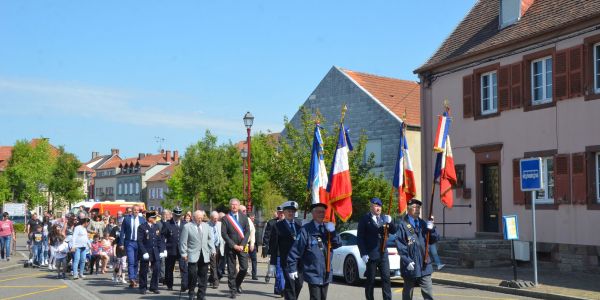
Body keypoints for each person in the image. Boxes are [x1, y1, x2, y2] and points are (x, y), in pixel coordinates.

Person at [287, 202, 341, 300]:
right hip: (313, 271)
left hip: (326, 271)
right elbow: (296, 250)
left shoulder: (328, 229)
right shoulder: (306, 230)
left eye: (323, 212)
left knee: (323, 297)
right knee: (315, 297)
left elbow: (337, 244)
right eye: (319, 212)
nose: (322, 214)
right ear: (313, 213)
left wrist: (333, 232)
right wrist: (292, 268)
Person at [396, 198, 439, 300]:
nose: (417, 209)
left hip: (425, 264)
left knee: (428, 292)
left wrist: (432, 229)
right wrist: (407, 261)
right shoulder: (402, 225)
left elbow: (434, 239)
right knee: (408, 292)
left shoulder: (423, 224)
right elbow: (400, 245)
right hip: (411, 264)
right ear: (409, 209)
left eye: (419, 207)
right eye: (415, 207)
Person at [357, 197, 396, 300]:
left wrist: (391, 222)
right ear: (371, 207)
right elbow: (360, 238)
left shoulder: (384, 218)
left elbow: (393, 231)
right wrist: (363, 253)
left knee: (386, 279)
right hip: (371, 255)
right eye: (376, 206)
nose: (378, 208)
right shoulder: (365, 219)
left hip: (383, 254)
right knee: (371, 280)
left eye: (379, 206)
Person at [269, 201, 303, 300]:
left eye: (293, 211)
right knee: (290, 284)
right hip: (286, 260)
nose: (291, 213)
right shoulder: (277, 226)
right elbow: (274, 245)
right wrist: (273, 263)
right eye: (289, 211)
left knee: (299, 284)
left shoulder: (299, 224)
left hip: (299, 261)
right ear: (284, 212)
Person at [180, 210, 215, 300]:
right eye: (198, 218)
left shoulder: (206, 226)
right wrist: (184, 253)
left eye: (201, 218)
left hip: (204, 254)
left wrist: (213, 249)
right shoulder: (187, 227)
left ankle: (201, 295)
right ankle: (191, 291)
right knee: (193, 274)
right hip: (192, 254)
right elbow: (183, 241)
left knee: (203, 276)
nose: (200, 219)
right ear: (193, 218)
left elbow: (210, 239)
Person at [221, 198, 250, 299]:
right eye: (232, 205)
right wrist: (234, 245)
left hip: (242, 246)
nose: (234, 206)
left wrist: (242, 244)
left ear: (238, 205)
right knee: (231, 270)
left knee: (244, 268)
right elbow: (224, 234)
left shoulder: (244, 217)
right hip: (231, 247)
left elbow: (247, 232)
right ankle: (232, 291)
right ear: (230, 206)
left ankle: (236, 284)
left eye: (236, 205)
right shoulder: (225, 218)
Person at [137, 211, 167, 295]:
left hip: (155, 251)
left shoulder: (156, 226)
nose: (155, 219)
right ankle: (143, 287)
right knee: (144, 270)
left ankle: (154, 287)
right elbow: (139, 241)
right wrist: (144, 252)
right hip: (146, 251)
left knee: (157, 268)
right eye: (154, 218)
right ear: (149, 218)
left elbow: (160, 240)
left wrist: (162, 250)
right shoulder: (142, 227)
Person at [120, 205, 146, 288]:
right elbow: (122, 231)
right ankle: (132, 278)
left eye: (138, 210)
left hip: (138, 243)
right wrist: (121, 243)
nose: (136, 211)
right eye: (135, 210)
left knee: (136, 262)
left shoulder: (142, 220)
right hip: (129, 242)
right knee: (131, 261)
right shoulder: (127, 219)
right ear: (132, 210)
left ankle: (134, 278)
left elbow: (145, 232)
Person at [163, 207, 188, 292]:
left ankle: (184, 285)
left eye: (179, 215)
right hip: (170, 249)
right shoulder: (167, 224)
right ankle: (169, 284)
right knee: (169, 268)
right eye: (176, 215)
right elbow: (162, 236)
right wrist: (164, 249)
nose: (177, 217)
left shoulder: (185, 224)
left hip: (182, 250)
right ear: (173, 215)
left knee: (183, 267)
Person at [239, 205, 258, 280]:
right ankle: (242, 273)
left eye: (245, 211)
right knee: (244, 260)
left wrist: (252, 243)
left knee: (254, 259)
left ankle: (254, 274)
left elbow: (252, 232)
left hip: (250, 243)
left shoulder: (248, 220)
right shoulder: (236, 219)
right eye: (243, 211)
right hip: (242, 243)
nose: (245, 212)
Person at [208, 211, 225, 289]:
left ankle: (211, 279)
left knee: (219, 265)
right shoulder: (207, 225)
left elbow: (224, 235)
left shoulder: (220, 224)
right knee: (213, 264)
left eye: (217, 218)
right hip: (211, 247)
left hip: (220, 247)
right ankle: (215, 281)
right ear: (210, 218)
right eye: (214, 218)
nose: (216, 220)